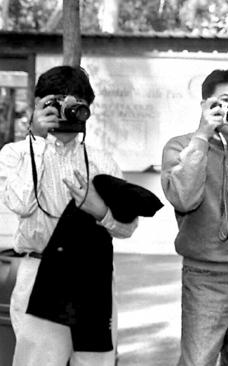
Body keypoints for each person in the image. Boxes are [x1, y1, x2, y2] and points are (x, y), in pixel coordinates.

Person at [0, 65, 138, 366]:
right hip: (38, 273)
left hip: (93, 278)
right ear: (38, 106)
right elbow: (22, 204)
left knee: (94, 362)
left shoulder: (102, 161)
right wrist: (37, 140)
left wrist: (100, 211)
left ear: (88, 108)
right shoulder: (16, 154)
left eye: (75, 103)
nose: (65, 110)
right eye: (55, 102)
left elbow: (128, 228)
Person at [161, 69, 228, 366]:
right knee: (198, 362)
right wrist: (201, 136)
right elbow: (184, 198)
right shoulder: (180, 147)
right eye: (224, 100)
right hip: (206, 278)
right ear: (205, 105)